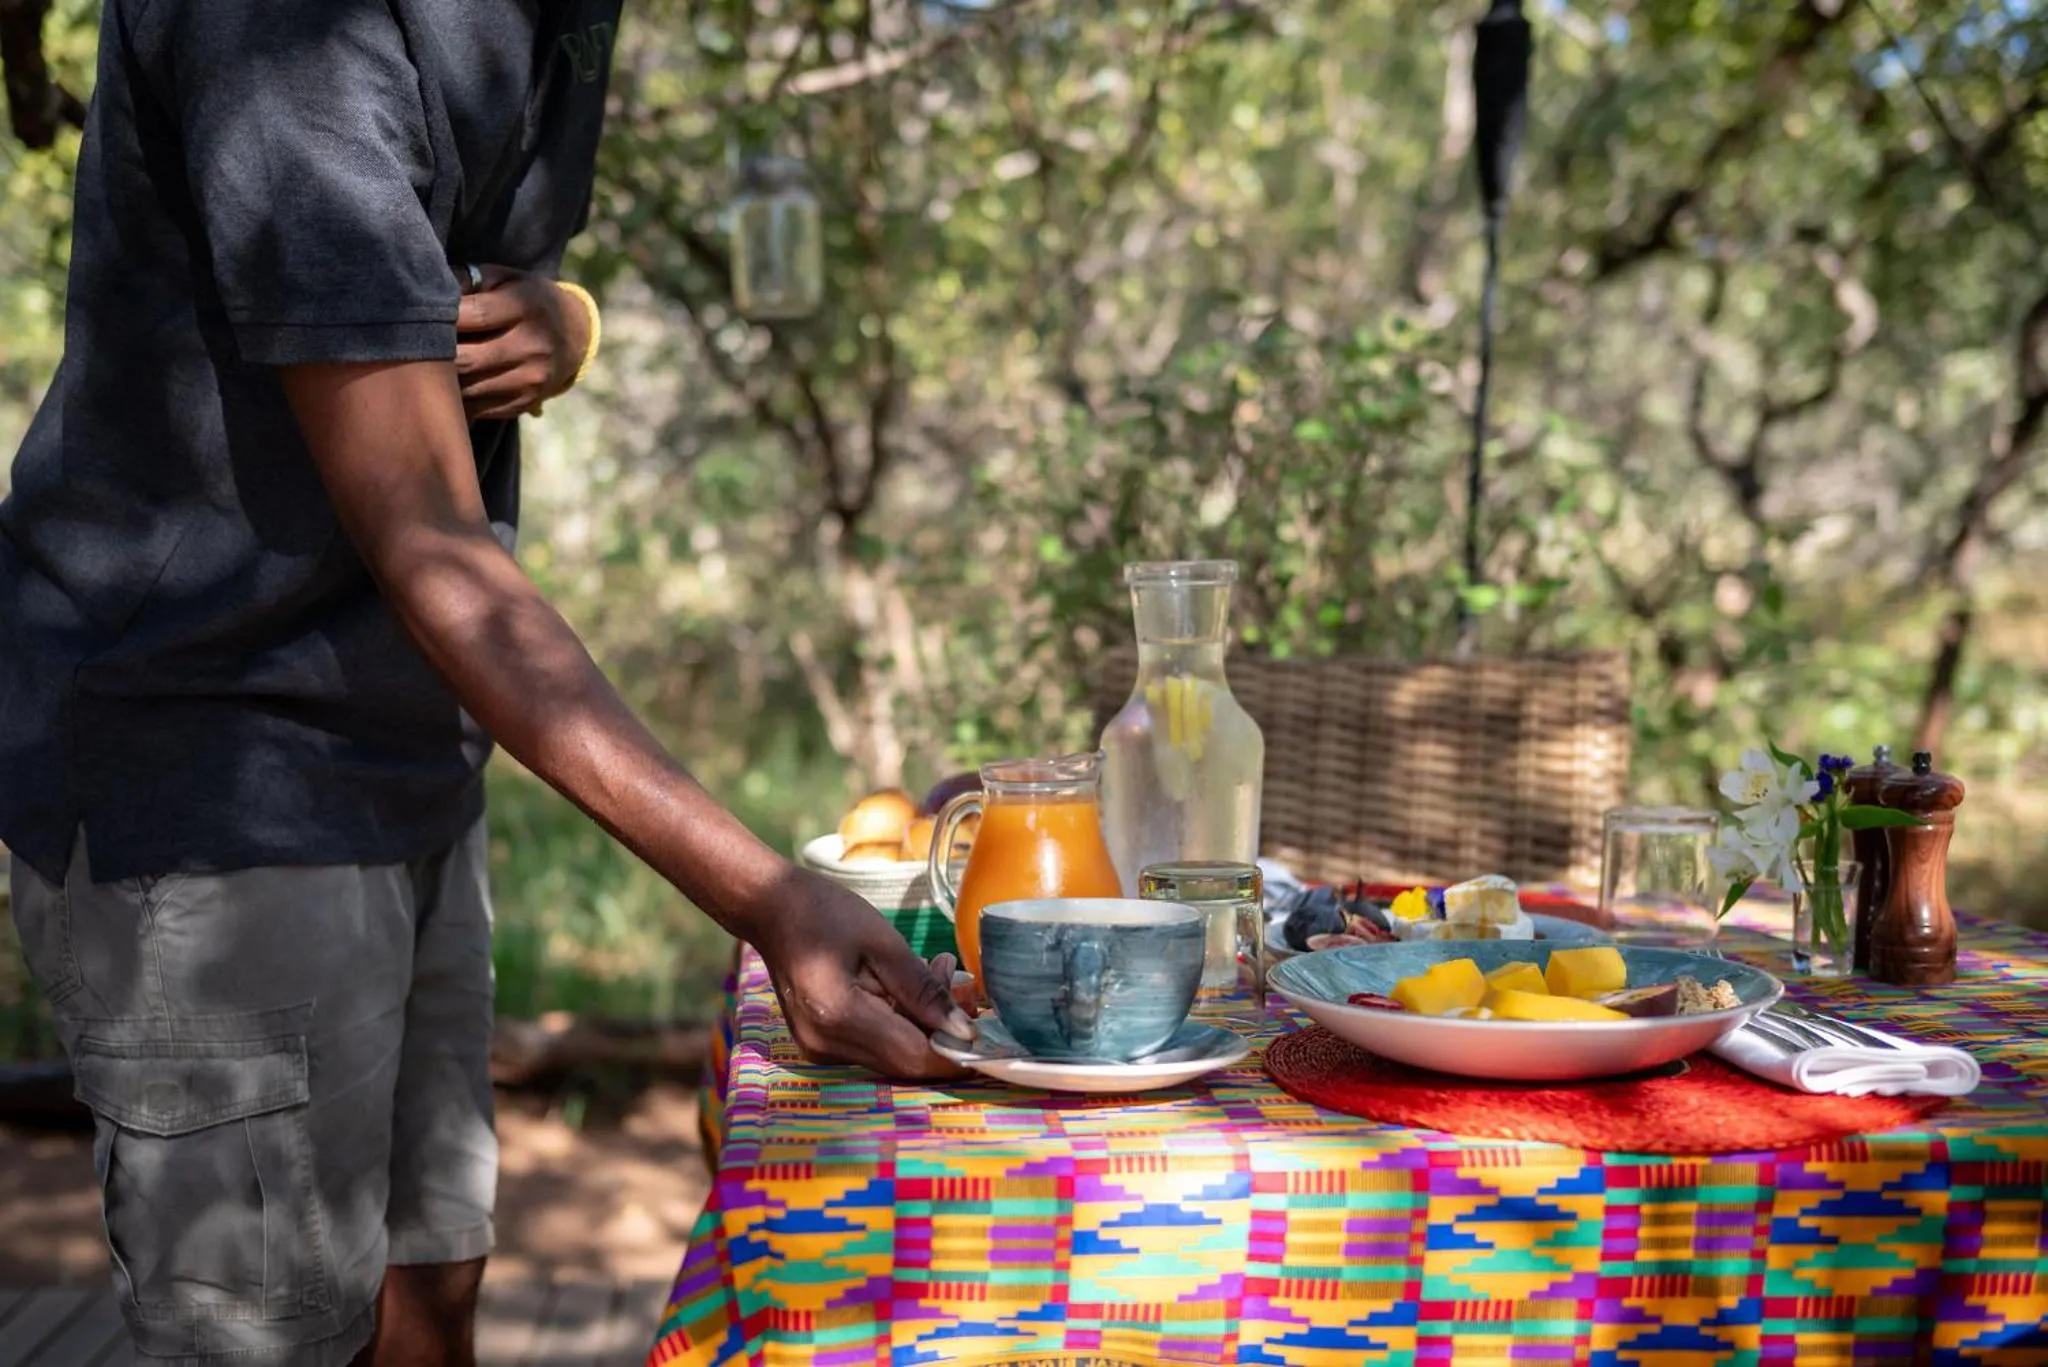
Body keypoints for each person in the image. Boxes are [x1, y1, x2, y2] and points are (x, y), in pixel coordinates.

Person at [0, 3, 970, 1364]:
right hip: (208, 765)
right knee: (272, 1334)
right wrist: (764, 895)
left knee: (428, 1292)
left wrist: (566, 326)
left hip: (409, 746)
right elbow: (436, 548)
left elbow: (458, 267)